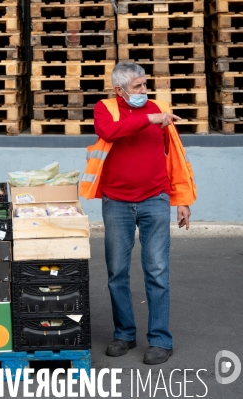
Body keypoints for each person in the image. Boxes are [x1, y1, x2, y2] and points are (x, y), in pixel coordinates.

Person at [82, 62, 196, 365]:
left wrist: (182, 199)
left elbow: (176, 158)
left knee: (157, 271)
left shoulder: (159, 109)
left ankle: (160, 340)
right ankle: (124, 334)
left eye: (145, 84)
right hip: (116, 202)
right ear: (119, 90)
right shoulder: (106, 108)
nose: (144, 90)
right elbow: (109, 132)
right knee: (117, 272)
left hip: (155, 200)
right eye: (138, 86)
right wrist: (149, 119)